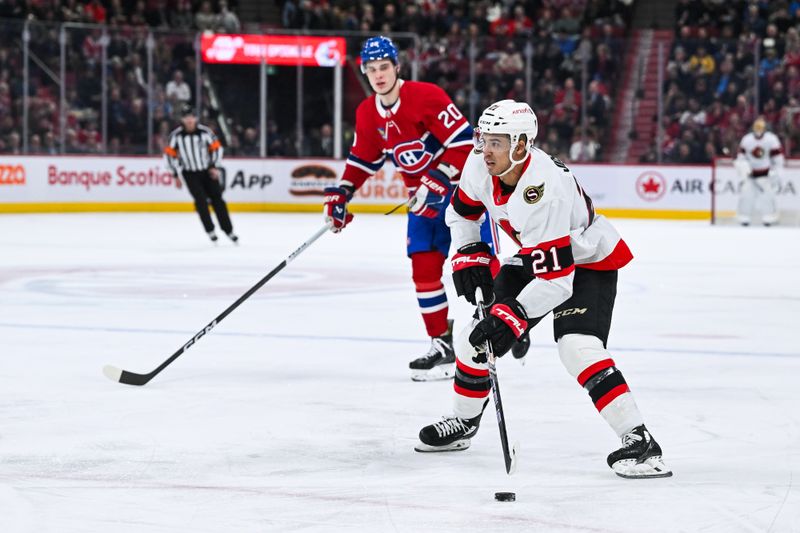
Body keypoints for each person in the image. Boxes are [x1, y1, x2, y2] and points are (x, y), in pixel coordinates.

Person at [414, 100, 672, 479]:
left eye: (496, 143)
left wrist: (512, 317)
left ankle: (640, 442)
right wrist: (470, 250)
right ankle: (463, 422)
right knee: (472, 335)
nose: (485, 150)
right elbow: (463, 213)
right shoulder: (479, 163)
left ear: (521, 146)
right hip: (537, 256)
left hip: (586, 261)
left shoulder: (545, 187)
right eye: (483, 139)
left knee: (577, 347)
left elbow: (557, 280)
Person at [323, 36, 529, 382]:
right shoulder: (366, 112)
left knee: (482, 268)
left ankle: (511, 320)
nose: (378, 75)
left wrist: (440, 175)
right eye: (371, 69)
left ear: (397, 66)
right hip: (422, 202)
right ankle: (442, 343)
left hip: (465, 196)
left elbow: (467, 143)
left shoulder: (427, 96)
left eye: (384, 67)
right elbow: (362, 159)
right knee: (423, 269)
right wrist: (343, 191)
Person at [165, 104, 238, 244]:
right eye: (186, 117)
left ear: (196, 118)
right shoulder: (176, 136)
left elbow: (217, 149)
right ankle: (210, 229)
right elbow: (169, 156)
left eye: (192, 117)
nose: (190, 120)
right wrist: (175, 175)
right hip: (189, 173)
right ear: (182, 119)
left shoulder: (205, 133)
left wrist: (214, 166)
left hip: (207, 170)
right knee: (201, 201)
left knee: (218, 199)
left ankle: (228, 230)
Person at [735, 117, 784, 226]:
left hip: (765, 175)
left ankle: (769, 217)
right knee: (746, 196)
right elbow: (741, 158)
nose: (758, 130)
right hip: (750, 175)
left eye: (760, 127)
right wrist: (744, 169)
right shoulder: (746, 139)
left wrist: (775, 172)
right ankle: (744, 217)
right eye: (756, 127)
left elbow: (778, 159)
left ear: (765, 128)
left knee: (768, 197)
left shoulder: (771, 139)